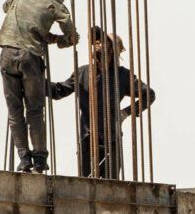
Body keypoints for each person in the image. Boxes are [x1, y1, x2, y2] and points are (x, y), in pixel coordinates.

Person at [0, 0, 78, 173]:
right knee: (34, 110)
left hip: (7, 53)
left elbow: (6, 8)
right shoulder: (57, 7)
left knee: (15, 111)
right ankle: (39, 158)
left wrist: (42, 32)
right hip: (30, 58)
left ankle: (24, 158)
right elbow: (71, 36)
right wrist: (59, 40)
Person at [49, 28, 155, 179]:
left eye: (104, 41)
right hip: (87, 141)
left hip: (111, 140)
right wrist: (38, 82)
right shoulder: (83, 73)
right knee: (85, 186)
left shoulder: (123, 75)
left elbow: (148, 94)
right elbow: (59, 91)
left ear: (114, 49)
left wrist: (126, 112)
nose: (98, 43)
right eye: (97, 42)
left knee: (110, 186)